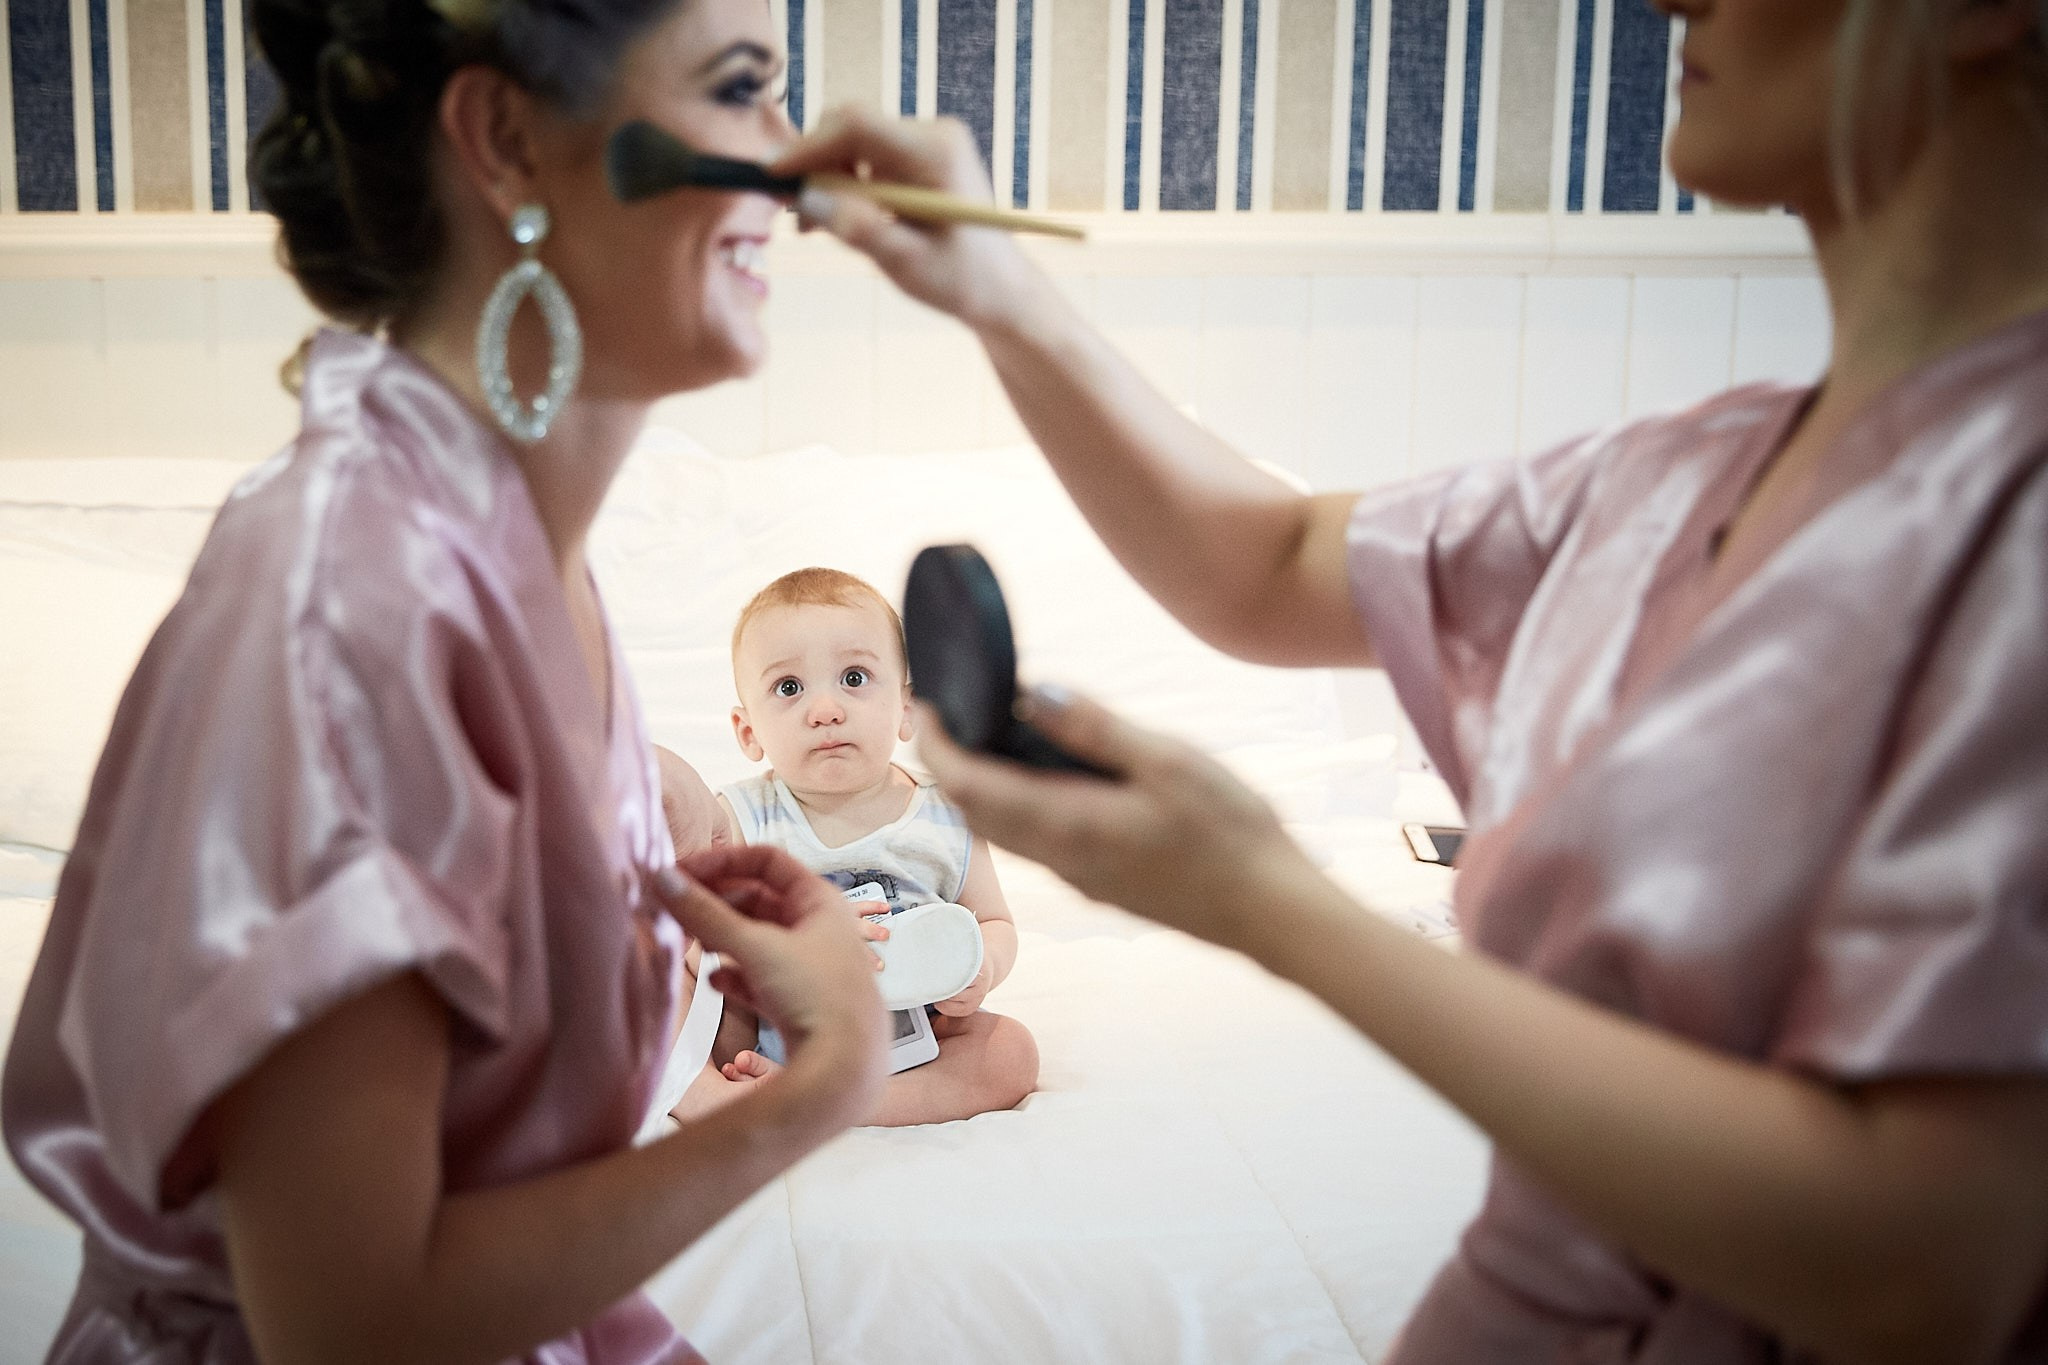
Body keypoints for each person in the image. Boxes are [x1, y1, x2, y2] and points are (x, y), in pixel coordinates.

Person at [774, 0, 2048, 1359]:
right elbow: (1261, 563)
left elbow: (1923, 1266)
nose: (1673, 3)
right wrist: (995, 286)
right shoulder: (1671, 476)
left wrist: (1271, 904)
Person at [0, 1, 888, 1361]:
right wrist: (816, 1088)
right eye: (738, 87)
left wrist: (628, 842)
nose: (796, 156)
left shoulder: (519, 545)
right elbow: (351, 1324)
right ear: (506, 139)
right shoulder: (349, 603)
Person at [704, 567, 1039, 1127]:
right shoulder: (741, 818)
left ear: (907, 709)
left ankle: (843, 1106)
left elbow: (995, 921)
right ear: (748, 732)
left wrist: (985, 968)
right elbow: (703, 928)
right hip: (781, 1032)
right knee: (691, 978)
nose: (826, 709)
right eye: (790, 688)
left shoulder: (948, 814)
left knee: (1012, 1053)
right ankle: (758, 1087)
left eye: (854, 678)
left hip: (917, 1036)